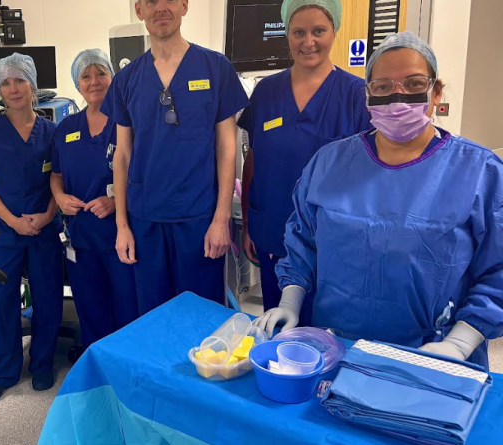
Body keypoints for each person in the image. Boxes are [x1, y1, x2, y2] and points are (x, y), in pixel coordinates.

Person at [257, 32, 503, 369]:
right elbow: (302, 242)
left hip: (433, 356)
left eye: (414, 83)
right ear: (368, 96)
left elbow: (498, 269)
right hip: (338, 347)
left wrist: (459, 343)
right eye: (383, 87)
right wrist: (290, 302)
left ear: (436, 92)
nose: (397, 97)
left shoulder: (479, 172)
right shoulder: (330, 163)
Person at [103, 0, 249, 315]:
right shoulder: (127, 79)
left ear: (184, 5)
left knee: (203, 319)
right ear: (139, 10)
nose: (161, 8)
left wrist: (221, 219)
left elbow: (227, 147)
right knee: (155, 319)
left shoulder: (215, 68)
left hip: (199, 219)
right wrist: (122, 225)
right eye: (151, 2)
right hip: (145, 221)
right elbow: (122, 155)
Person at [239, 0, 372, 320]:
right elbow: (253, 160)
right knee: (278, 329)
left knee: (326, 336)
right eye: (298, 32)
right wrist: (249, 226)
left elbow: (370, 179)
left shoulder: (356, 95)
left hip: (332, 247)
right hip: (273, 235)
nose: (308, 41)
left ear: (334, 31)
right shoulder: (266, 92)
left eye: (318, 31)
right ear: (287, 33)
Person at [0, 53, 63, 403]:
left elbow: (58, 180)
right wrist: (13, 221)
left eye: (20, 80)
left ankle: (42, 364)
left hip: (43, 229)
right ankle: (3, 372)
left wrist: (48, 215)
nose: (13, 88)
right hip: (4, 232)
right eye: (6, 82)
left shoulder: (52, 132)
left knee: (48, 298)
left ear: (32, 85)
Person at [51, 49, 139, 349]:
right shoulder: (66, 128)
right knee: (90, 307)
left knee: (128, 307)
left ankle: (127, 366)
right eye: (86, 76)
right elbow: (56, 174)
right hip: (81, 237)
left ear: (112, 78)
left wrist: (114, 202)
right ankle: (96, 364)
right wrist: (60, 197)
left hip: (121, 235)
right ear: (77, 85)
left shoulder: (127, 123)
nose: (94, 81)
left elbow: (143, 174)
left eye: (101, 73)